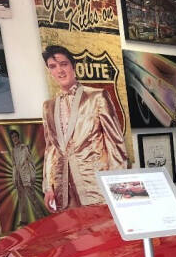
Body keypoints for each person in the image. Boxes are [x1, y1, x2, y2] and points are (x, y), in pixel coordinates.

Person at [41, 45, 128, 212]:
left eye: (63, 64)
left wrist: (119, 187)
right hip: (63, 189)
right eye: (53, 66)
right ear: (49, 71)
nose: (59, 70)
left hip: (95, 185)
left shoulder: (97, 97)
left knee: (104, 233)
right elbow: (50, 148)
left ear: (73, 66)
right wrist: (48, 187)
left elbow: (115, 143)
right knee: (73, 235)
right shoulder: (48, 106)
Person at [9, 129, 47, 228]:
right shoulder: (13, 150)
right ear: (12, 139)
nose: (15, 139)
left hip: (26, 176)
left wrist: (32, 176)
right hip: (18, 178)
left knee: (32, 198)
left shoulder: (24, 148)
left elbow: (31, 162)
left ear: (18, 137)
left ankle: (42, 217)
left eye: (16, 136)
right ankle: (24, 220)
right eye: (13, 137)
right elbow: (14, 165)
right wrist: (14, 178)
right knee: (21, 199)